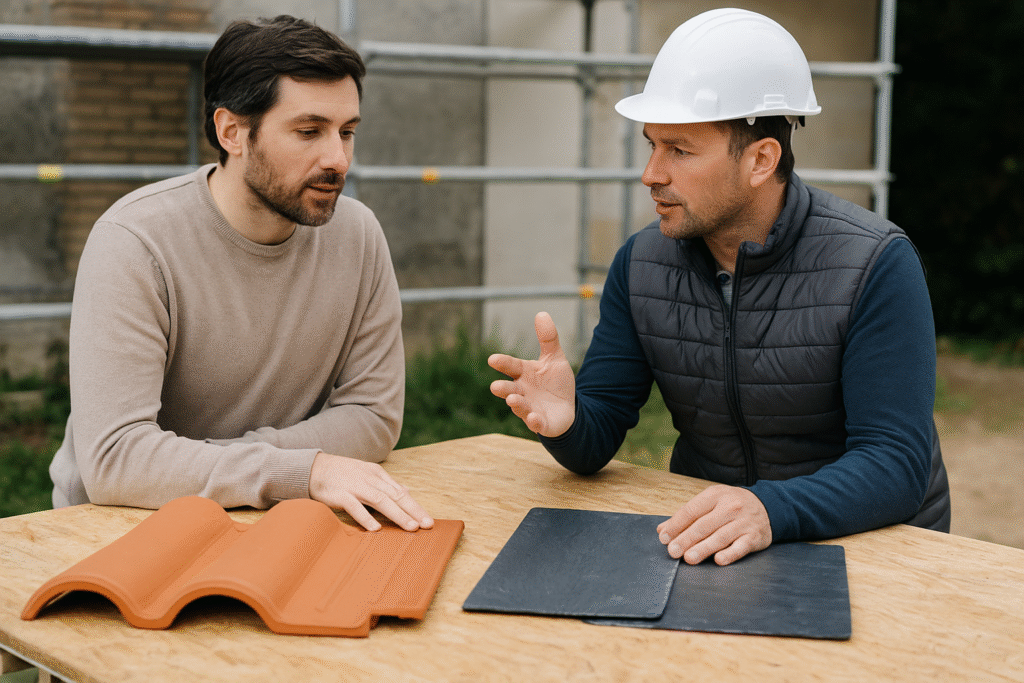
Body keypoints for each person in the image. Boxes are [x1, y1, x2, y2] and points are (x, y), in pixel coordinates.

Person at [489, 8, 950, 566]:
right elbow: (599, 431)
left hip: (876, 548)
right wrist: (568, 422)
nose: (651, 174)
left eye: (680, 151)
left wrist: (770, 510)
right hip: (719, 541)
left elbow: (895, 466)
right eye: (652, 145)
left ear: (761, 160)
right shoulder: (642, 263)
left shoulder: (874, 263)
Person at [49, 15, 433, 533]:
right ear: (232, 132)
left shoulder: (358, 235)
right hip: (116, 529)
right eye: (309, 132)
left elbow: (373, 416)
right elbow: (117, 461)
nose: (338, 159)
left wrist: (241, 469)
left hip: (273, 521)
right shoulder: (134, 242)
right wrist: (301, 470)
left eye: (347, 132)